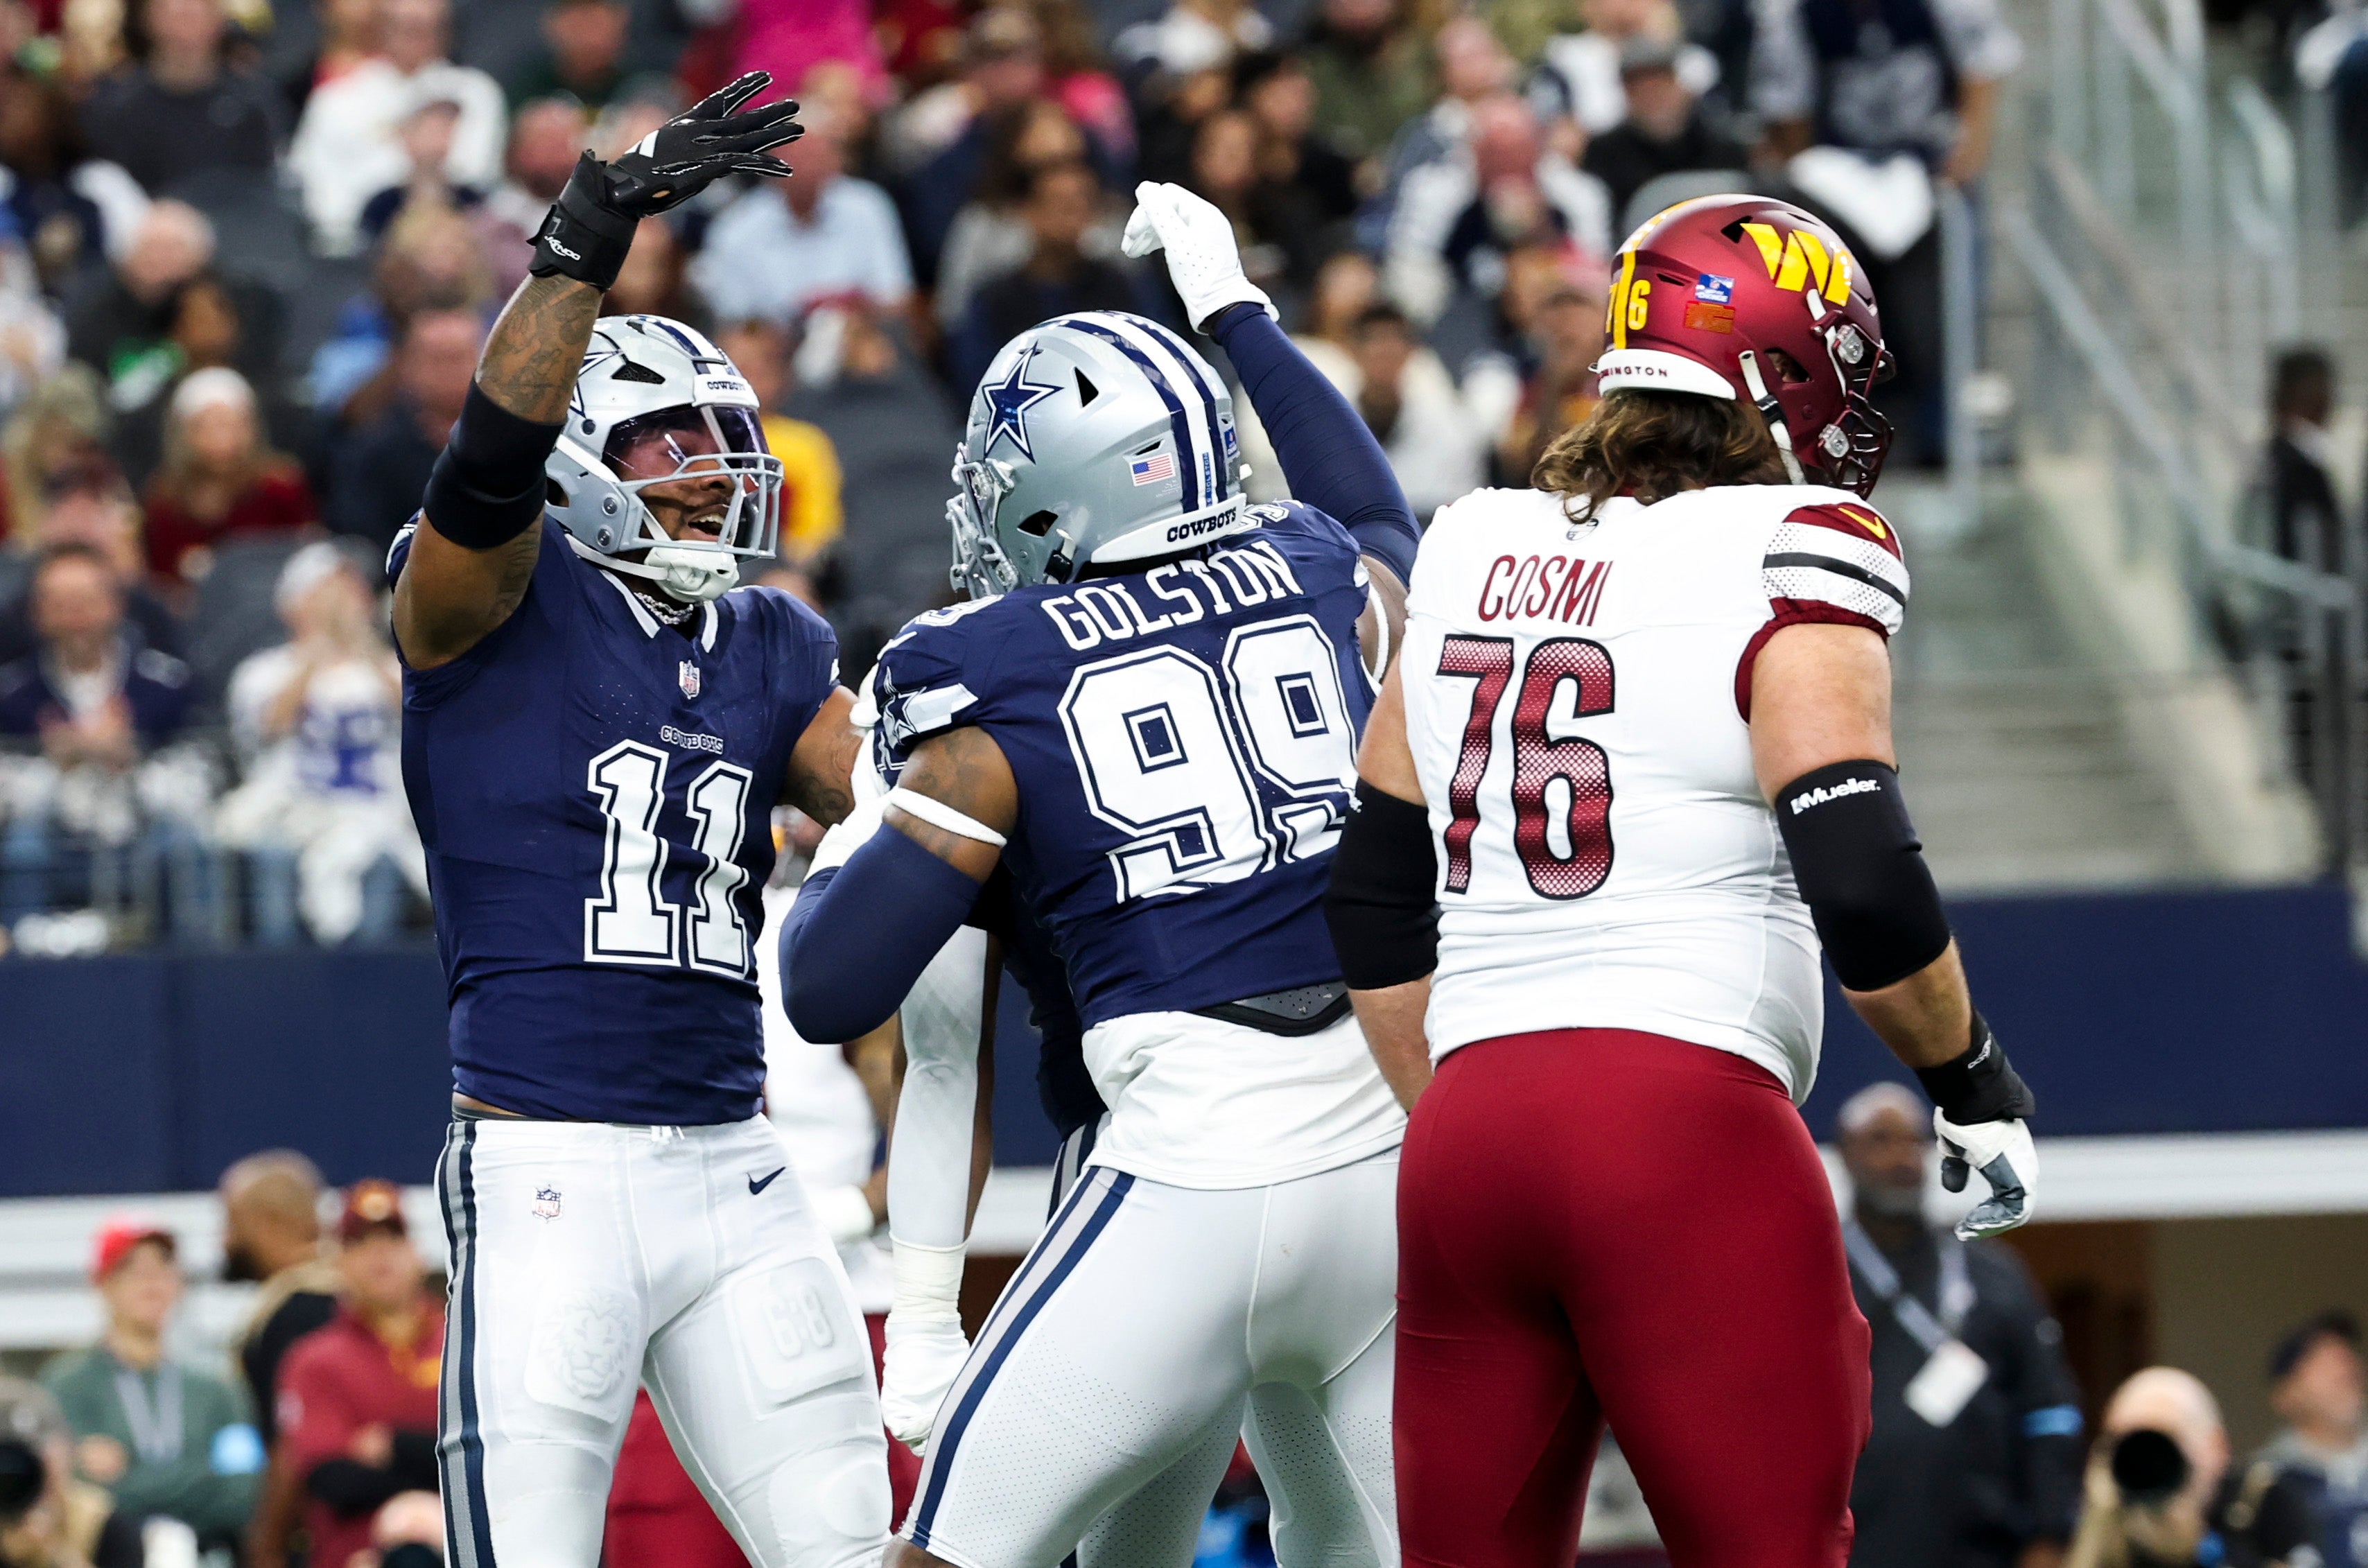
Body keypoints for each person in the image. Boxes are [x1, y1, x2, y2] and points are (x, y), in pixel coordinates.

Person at [1327, 193, 2040, 1566]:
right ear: (1780, 363)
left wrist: (1479, 1102)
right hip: (1680, 1128)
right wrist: (1974, 1082)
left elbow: (1368, 896)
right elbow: (1867, 888)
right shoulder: (1795, 545)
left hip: (1468, 1146)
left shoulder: (1470, 543)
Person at [782, 180, 1420, 1568]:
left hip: (1183, 1182)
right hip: (1383, 1176)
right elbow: (1376, 517)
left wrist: (857, 837)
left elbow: (833, 989)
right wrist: (1240, 316)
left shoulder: (982, 672)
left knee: (945, 1554)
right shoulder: (1316, 567)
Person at [385, 74, 891, 1568]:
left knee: (855, 1545)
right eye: (672, 443)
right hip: (550, 1165)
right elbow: (484, 469)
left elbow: (916, 824)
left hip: (736, 1163)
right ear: (588, 455)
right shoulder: (487, 597)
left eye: (724, 439)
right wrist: (578, 252)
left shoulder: (773, 641)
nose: (718, 471)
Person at [1836, 1081, 2083, 1568]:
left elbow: (2051, 1411)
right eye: (1882, 1141)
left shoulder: (1993, 1274)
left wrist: (2050, 1534)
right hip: (1851, 1550)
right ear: (1846, 1155)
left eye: (1914, 1141)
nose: (1903, 1158)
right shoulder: (1812, 1276)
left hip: (1982, 1550)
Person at [217, 542, 423, 945]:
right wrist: (317, 651)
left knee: (378, 861)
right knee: (273, 858)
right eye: (328, 591)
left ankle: (365, 985)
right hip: (293, 814)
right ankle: (277, 977)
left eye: (351, 590)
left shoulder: (391, 668)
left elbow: (419, 721)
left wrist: (362, 645)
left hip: (375, 814)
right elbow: (268, 727)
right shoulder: (264, 670)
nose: (342, 602)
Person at [0, 543, 202, 930]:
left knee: (184, 845)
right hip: (50, 831)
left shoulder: (165, 684)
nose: (76, 618)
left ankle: (192, 971)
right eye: (61, 604)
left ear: (115, 605)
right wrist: (54, 763)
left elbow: (201, 773)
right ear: (38, 612)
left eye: (87, 602)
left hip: (142, 824)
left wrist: (130, 756)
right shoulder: (13, 694)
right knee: (22, 849)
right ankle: (19, 966)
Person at [39, 1221, 263, 1553]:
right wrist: (198, 1475)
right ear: (102, 1283)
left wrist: (127, 1476)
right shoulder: (67, 1385)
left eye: (163, 1268)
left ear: (180, 1285)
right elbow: (69, 1496)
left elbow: (243, 1491)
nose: (151, 1281)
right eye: (133, 1269)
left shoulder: (218, 1389)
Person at [275, 1182, 443, 1568]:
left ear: (416, 1254)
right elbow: (334, 1481)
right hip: (356, 1553)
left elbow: (493, 1460)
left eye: (392, 1240)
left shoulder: (464, 1343)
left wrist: (397, 1445)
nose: (379, 1255)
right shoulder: (314, 1360)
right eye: (361, 1244)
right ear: (339, 1263)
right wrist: (438, 1464)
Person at [288, 0, 508, 256]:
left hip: (451, 243)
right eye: (403, 27)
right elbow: (305, 175)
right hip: (353, 245)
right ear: (380, 29)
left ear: (446, 32)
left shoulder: (475, 93)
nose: (414, 38)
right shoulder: (336, 97)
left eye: (425, 27)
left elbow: (477, 173)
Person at [2065, 1368, 2315, 1568]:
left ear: (2217, 1448)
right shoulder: (2102, 1508)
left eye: (2165, 1441)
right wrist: (2097, 1526)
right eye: (2129, 1445)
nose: (2147, 1461)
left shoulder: (2259, 1500)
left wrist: (2200, 1548)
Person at [692, 106, 912, 325]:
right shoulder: (736, 228)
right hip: (777, 347)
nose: (805, 167)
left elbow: (896, 298)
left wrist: (845, 307)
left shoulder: (868, 206)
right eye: (795, 155)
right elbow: (735, 318)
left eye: (815, 154)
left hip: (857, 337)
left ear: (836, 159)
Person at [950, 160, 1151, 393]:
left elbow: (1146, 359)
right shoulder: (996, 299)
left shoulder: (1116, 286)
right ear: (1029, 212)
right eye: (1064, 206)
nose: (1076, 218)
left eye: (1085, 205)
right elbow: (976, 377)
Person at [76, 0, 284, 195]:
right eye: (170, 7)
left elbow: (271, 183)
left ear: (219, 16)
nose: (184, 14)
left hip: (238, 223)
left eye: (197, 6)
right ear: (146, 17)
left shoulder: (254, 103)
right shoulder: (114, 109)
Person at [326, 306, 484, 554]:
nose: (450, 372)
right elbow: (359, 539)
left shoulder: (518, 443)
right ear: (409, 366)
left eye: (460, 358)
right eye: (438, 360)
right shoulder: (372, 449)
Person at [139, 368, 317, 586]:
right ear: (184, 435)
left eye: (230, 425)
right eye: (206, 427)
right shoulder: (166, 501)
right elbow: (161, 579)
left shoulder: (280, 486)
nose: (221, 439)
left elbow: (310, 556)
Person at [1582, 37, 1751, 225]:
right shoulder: (1605, 153)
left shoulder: (1724, 144)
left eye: (1659, 85)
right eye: (1639, 89)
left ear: (1677, 84)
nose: (1651, 96)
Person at [2256, 1312, 2368, 1568]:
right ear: (2285, 1395)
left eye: (2346, 1355)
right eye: (2322, 1361)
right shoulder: (2266, 1482)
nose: (2343, 1367)